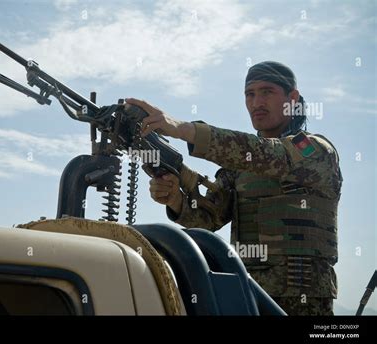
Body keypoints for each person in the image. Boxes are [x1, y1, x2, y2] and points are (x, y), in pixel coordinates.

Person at [126, 61, 343, 315]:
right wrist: (176, 198)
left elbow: (268, 154)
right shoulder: (240, 166)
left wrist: (182, 129)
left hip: (302, 300)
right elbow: (209, 218)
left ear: (292, 98)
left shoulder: (313, 150)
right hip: (247, 295)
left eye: (267, 92)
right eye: (250, 94)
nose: (256, 103)